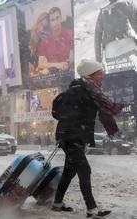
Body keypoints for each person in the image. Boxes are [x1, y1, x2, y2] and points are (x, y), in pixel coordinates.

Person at [51, 59, 123, 218]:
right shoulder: (77, 91)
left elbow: (86, 115)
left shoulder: (90, 91)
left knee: (69, 171)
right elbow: (66, 116)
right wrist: (64, 136)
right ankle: (92, 209)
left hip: (77, 135)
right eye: (99, 74)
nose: (102, 77)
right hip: (71, 137)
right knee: (85, 170)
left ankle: (57, 203)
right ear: (89, 75)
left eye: (102, 73)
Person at [95, 0, 137, 70]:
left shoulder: (103, 11)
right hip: (128, 45)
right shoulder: (130, 3)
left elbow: (97, 35)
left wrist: (98, 58)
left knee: (116, 78)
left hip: (110, 51)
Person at [37, 7, 74, 75]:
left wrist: (68, 63)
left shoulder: (69, 34)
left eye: (57, 18)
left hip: (70, 74)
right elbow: (41, 64)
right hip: (52, 75)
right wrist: (57, 65)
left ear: (61, 18)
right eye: (52, 20)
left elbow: (73, 57)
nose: (56, 22)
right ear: (49, 23)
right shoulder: (45, 41)